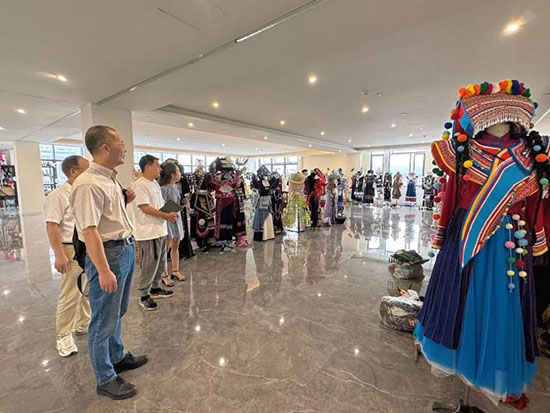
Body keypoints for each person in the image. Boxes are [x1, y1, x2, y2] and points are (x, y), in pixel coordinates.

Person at [71, 125, 146, 400]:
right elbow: (89, 231)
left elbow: (106, 219)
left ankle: (116, 356)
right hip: (108, 255)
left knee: (117, 311)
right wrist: (103, 270)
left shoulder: (110, 179)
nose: (124, 148)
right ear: (105, 147)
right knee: (102, 318)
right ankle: (105, 378)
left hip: (123, 249)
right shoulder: (88, 184)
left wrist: (123, 201)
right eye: (120, 143)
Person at [44, 155, 91, 357]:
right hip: (69, 247)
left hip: (85, 246)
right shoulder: (58, 195)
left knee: (85, 288)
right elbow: (52, 226)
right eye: (86, 169)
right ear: (73, 171)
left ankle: (83, 322)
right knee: (70, 293)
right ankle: (63, 335)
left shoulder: (83, 192)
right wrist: (59, 254)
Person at [129, 155, 177, 308]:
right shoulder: (139, 185)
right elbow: (145, 207)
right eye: (157, 165)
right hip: (147, 232)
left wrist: (170, 213)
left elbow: (158, 205)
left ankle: (156, 288)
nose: (160, 169)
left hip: (160, 230)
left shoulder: (155, 184)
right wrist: (165, 215)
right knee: (149, 264)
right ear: (148, 167)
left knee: (160, 262)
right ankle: (144, 295)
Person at [159, 161, 186, 284]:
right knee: (166, 247)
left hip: (176, 218)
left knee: (176, 245)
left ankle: (175, 270)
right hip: (168, 219)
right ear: (172, 174)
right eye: (178, 171)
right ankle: (164, 274)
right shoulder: (163, 189)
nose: (180, 173)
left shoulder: (175, 187)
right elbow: (162, 206)